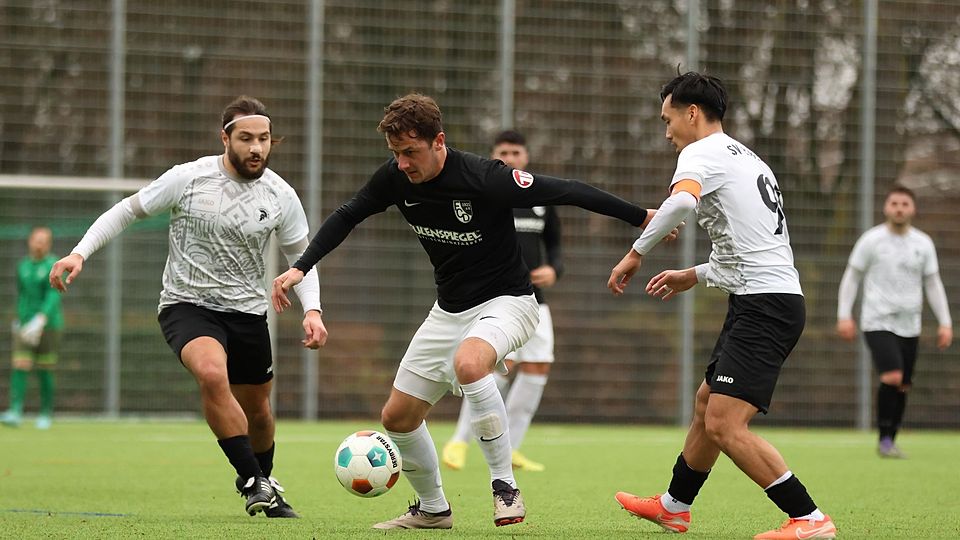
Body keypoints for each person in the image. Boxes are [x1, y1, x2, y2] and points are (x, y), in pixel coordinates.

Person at [271, 93, 674, 530]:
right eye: (396, 154)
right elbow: (348, 214)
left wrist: (640, 217)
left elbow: (568, 191)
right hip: (449, 310)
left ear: (438, 141)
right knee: (398, 418)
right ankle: (432, 509)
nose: (403, 163)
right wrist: (300, 267)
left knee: (469, 362)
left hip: (511, 302)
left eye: (411, 152)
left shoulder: (486, 178)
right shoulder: (395, 178)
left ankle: (505, 488)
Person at [48, 96, 327, 518]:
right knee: (213, 375)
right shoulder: (189, 178)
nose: (257, 148)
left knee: (259, 411)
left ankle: (264, 483)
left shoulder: (281, 195)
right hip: (187, 305)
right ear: (225, 138)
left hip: (249, 313)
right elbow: (126, 212)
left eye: (264, 139)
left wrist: (313, 311)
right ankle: (251, 480)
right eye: (247, 138)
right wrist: (79, 253)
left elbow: (302, 259)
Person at [606, 72, 836, 539]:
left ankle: (809, 519)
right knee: (707, 402)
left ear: (692, 113)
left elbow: (678, 205)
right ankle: (674, 506)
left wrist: (635, 253)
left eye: (668, 120)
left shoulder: (700, 153)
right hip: (765, 298)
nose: (667, 132)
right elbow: (749, 249)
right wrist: (694, 273)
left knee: (725, 424)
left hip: (765, 306)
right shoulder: (748, 159)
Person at [441, 129, 561, 473]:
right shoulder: (483, 194)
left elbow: (555, 247)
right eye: (503, 153)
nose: (510, 159)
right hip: (495, 300)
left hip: (535, 301)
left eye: (516, 153)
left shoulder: (539, 200)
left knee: (537, 367)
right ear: (493, 156)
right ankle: (459, 442)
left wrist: (554, 270)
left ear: (526, 158)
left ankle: (512, 448)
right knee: (491, 369)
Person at [836, 185, 952, 458]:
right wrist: (844, 315)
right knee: (892, 375)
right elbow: (852, 277)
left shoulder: (923, 243)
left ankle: (890, 438)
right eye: (894, 203)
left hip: (910, 323)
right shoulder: (871, 240)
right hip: (877, 320)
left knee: (903, 384)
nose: (899, 208)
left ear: (913, 209)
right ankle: (885, 439)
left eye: (905, 204)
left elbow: (933, 283)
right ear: (886, 207)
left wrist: (945, 322)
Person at [1, 226, 64, 430]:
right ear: (30, 241)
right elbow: (22, 296)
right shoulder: (23, 266)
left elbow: (54, 295)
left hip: (48, 325)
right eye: (36, 240)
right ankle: (15, 411)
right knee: (20, 365)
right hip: (25, 324)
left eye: (44, 241)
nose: (39, 244)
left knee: (45, 369)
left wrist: (41, 319)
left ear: (49, 244)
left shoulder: (52, 266)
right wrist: (20, 319)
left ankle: (45, 413)